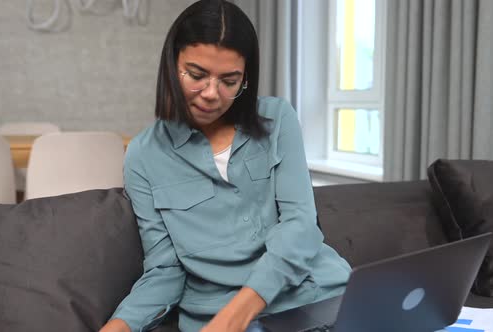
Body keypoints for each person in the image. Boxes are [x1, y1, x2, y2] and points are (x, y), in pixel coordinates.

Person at [100, 1, 351, 331]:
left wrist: (240, 311)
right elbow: (165, 270)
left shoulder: (278, 119)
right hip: (221, 318)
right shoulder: (143, 156)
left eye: (229, 81)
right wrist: (118, 326)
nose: (211, 94)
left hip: (320, 294)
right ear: (171, 64)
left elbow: (300, 225)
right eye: (197, 75)